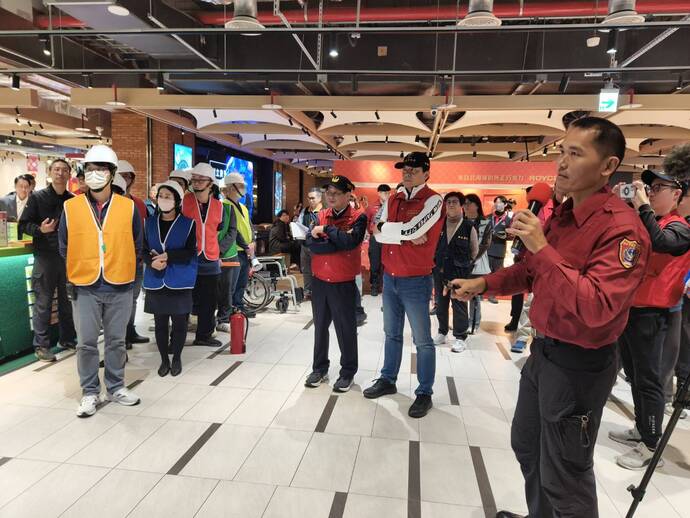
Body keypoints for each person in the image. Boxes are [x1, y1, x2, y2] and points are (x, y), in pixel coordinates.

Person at [448, 117, 650, 518]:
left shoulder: (622, 230)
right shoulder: (563, 214)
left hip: (580, 365)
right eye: (561, 152)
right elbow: (530, 272)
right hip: (544, 353)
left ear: (608, 166)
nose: (562, 163)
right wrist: (484, 283)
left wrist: (541, 246)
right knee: (528, 446)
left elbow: (597, 306)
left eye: (575, 153)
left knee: (566, 475)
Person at [609, 168, 690, 470]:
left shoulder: (680, 227)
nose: (651, 193)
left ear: (676, 194)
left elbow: (661, 243)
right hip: (633, 310)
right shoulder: (650, 221)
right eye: (649, 188)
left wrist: (642, 205)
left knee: (650, 381)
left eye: (657, 188)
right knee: (634, 375)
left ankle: (652, 443)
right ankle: (642, 430)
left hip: (655, 316)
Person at [59, 144, 142, 418]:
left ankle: (116, 387)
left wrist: (123, 265)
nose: (95, 174)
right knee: (86, 343)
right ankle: (90, 392)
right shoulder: (70, 207)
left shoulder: (128, 207)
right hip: (85, 285)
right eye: (90, 169)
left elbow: (137, 244)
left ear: (112, 173)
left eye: (101, 169)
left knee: (116, 341)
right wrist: (84, 263)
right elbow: (63, 245)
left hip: (120, 283)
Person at [364, 151, 445, 419]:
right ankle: (388, 379)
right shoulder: (395, 197)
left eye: (414, 169)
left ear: (426, 173)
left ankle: (424, 392)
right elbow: (376, 231)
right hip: (390, 278)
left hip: (416, 279)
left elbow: (412, 229)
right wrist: (404, 234)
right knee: (391, 333)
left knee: (422, 340)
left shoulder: (433, 200)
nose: (407, 173)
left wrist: (395, 230)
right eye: (405, 169)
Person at [304, 175, 367, 392]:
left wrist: (326, 231)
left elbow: (351, 242)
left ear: (348, 195)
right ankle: (319, 369)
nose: (330, 197)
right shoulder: (321, 214)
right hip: (320, 280)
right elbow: (311, 243)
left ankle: (347, 372)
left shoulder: (358, 217)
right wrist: (337, 240)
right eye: (328, 193)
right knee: (320, 327)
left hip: (343, 282)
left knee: (345, 329)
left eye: (336, 193)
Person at [18, 159, 77, 362]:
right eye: (56, 169)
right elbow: (23, 225)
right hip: (45, 256)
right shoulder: (37, 197)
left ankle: (67, 338)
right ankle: (41, 346)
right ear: (50, 172)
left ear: (69, 174)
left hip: (67, 258)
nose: (60, 173)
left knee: (67, 301)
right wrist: (40, 229)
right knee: (43, 302)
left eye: (64, 170)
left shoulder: (73, 200)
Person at [143, 181, 198, 377]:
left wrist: (169, 256)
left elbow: (191, 252)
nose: (163, 199)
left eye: (168, 196)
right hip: (156, 279)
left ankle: (177, 358)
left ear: (177, 200)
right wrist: (151, 263)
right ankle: (164, 359)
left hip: (180, 279)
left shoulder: (188, 223)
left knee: (180, 322)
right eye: (161, 196)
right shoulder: (148, 222)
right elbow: (142, 249)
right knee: (160, 323)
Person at [510, 183, 567, 354]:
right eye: (557, 185)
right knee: (530, 302)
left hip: (561, 267)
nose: (560, 188)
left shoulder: (572, 213)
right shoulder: (539, 208)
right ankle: (522, 337)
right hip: (537, 265)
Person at [182, 162, 225, 347]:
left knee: (209, 300)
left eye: (201, 179)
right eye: (194, 179)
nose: (197, 182)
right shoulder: (183, 201)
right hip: (188, 257)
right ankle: (178, 335)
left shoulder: (219, 206)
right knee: (184, 299)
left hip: (211, 258)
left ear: (210, 183)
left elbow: (217, 230)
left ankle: (204, 335)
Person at [432, 192, 478, 353]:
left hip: (459, 273)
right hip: (440, 271)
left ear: (461, 206)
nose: (451, 205)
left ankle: (460, 337)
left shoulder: (468, 226)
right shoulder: (438, 225)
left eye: (455, 202)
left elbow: (474, 251)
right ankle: (442, 332)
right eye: (448, 202)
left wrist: (465, 267)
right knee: (440, 303)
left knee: (459, 305)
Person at [115, 160, 150, 349]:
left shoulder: (139, 204)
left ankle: (129, 331)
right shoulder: (109, 203)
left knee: (133, 298)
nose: (125, 179)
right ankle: (119, 337)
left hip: (136, 260)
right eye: (121, 175)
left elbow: (144, 230)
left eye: (128, 176)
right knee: (118, 300)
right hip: (116, 261)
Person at [224, 172, 256, 317]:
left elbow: (249, 226)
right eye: (240, 185)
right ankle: (229, 309)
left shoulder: (243, 207)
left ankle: (239, 306)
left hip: (245, 250)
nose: (243, 188)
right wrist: (245, 245)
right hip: (233, 250)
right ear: (231, 187)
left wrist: (252, 242)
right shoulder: (224, 205)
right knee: (231, 284)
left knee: (242, 282)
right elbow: (232, 230)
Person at [463, 193, 491, 333]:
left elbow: (485, 244)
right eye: (464, 203)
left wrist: (473, 258)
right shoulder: (460, 221)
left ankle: (473, 324)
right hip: (462, 263)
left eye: (469, 203)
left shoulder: (486, 223)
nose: (466, 206)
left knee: (474, 296)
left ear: (477, 205)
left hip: (478, 264)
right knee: (461, 294)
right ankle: (462, 323)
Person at [216, 182, 240, 333]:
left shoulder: (228, 208)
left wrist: (218, 250)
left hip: (228, 255)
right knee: (209, 290)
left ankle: (223, 319)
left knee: (226, 290)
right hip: (206, 256)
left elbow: (233, 231)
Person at [366, 184, 392, 296]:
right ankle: (374, 286)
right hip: (376, 238)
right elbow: (366, 221)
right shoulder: (372, 207)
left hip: (388, 238)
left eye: (388, 193)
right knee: (375, 263)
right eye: (384, 192)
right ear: (379, 193)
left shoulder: (392, 206)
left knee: (388, 263)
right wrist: (371, 232)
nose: (386, 195)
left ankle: (387, 287)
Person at [486, 195, 512, 303]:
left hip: (499, 251)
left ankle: (492, 295)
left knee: (496, 274)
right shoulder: (488, 217)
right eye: (496, 202)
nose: (497, 204)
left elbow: (511, 235)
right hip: (487, 250)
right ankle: (483, 292)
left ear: (505, 204)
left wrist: (505, 235)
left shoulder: (509, 220)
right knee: (486, 272)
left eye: (500, 202)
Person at [300, 188, 323, 300]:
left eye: (313, 198)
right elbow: (299, 224)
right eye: (309, 198)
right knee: (306, 270)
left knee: (319, 270)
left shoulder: (324, 211)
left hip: (318, 246)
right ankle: (307, 291)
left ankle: (319, 291)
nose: (310, 200)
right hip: (305, 245)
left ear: (319, 198)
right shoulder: (304, 211)